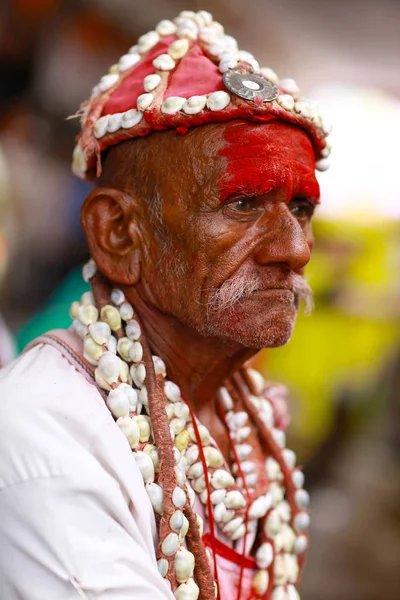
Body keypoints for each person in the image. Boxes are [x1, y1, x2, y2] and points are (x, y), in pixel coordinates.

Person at [0, 10, 331, 600]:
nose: (295, 249)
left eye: (301, 208)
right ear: (120, 235)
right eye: (244, 203)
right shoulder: (44, 434)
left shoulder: (248, 416)